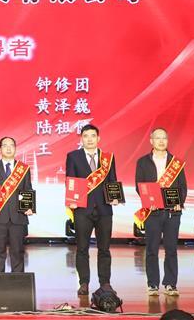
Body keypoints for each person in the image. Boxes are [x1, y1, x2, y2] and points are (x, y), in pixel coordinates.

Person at [66, 124, 120, 296]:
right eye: (86, 136)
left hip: (104, 209)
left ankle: (105, 283)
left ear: (98, 138)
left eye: (93, 136)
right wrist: (72, 201)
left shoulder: (108, 158)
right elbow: (71, 180)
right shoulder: (73, 156)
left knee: (104, 249)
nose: (89, 139)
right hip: (82, 209)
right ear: (81, 139)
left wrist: (115, 196)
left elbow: (112, 180)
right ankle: (84, 283)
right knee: (82, 249)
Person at [134, 128, 187, 296]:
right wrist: (148, 202)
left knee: (171, 249)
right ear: (151, 141)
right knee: (152, 249)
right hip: (153, 212)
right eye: (158, 138)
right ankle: (152, 284)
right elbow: (139, 186)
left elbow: (182, 187)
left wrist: (179, 202)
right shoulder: (143, 162)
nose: (161, 141)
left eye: (164, 138)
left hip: (172, 212)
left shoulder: (176, 163)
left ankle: (170, 284)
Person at [0, 136, 34, 273]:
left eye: (11, 145)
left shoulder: (23, 169)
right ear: (0, 149)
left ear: (15, 148)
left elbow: (28, 189)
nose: (8, 148)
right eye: (5, 145)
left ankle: (17, 282)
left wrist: (29, 206)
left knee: (17, 253)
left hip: (18, 217)